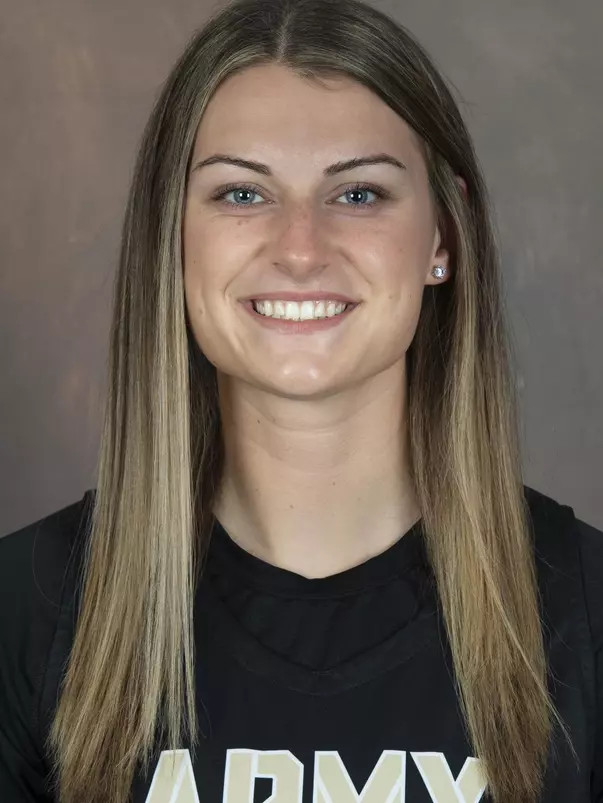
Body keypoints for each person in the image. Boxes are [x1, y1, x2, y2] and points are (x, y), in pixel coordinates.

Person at [1, 0, 601, 801]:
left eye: (357, 194)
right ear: (169, 235)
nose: (298, 248)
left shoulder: (584, 610)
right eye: (241, 195)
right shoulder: (26, 609)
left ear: (441, 238)